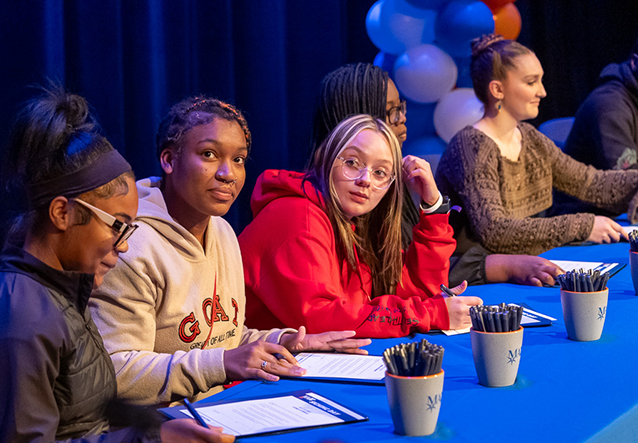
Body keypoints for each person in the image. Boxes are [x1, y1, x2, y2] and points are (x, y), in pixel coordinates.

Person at [0, 86, 231, 443]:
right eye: (118, 227)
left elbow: (88, 412)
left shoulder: (62, 294)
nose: (124, 246)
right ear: (62, 214)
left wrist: (159, 428)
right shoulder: (16, 321)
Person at [89, 95, 369, 408]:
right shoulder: (132, 246)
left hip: (216, 410)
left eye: (239, 159)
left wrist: (287, 341)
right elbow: (116, 372)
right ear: (168, 160)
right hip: (152, 432)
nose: (229, 174)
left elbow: (223, 339)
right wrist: (221, 364)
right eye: (209, 154)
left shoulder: (220, 230)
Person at [313, 63, 563, 287]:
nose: (402, 120)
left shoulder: (387, 182)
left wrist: (433, 206)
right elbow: (389, 284)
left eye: (400, 108)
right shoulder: (316, 213)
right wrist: (503, 266)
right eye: (390, 113)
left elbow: (412, 272)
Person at [238, 114, 482, 338]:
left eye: (380, 172)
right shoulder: (297, 216)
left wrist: (433, 207)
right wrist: (430, 313)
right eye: (352, 162)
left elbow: (418, 290)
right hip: (255, 378)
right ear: (327, 158)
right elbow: (319, 319)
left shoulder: (353, 222)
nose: (365, 180)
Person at [435, 34, 638, 273]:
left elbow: (590, 183)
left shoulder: (530, 138)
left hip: (526, 266)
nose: (542, 92)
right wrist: (584, 225)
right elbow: (495, 232)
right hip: (474, 278)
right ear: (497, 89)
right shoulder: (471, 146)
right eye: (531, 82)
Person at [552, 40, 638, 216]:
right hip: (582, 218)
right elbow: (628, 180)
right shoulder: (609, 105)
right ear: (635, 62)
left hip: (618, 215)